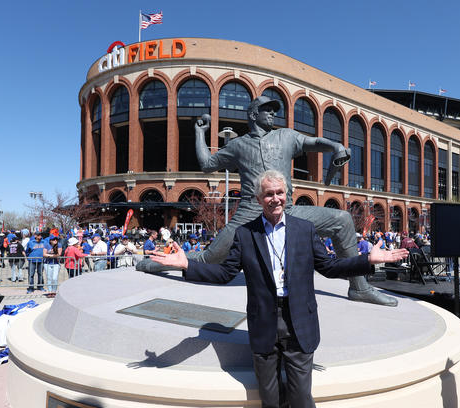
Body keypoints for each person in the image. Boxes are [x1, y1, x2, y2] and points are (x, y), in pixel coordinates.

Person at [148, 171, 409, 408]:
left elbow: (329, 267)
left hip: (299, 325)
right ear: (259, 198)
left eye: (280, 193)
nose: (275, 198)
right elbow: (224, 273)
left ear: (287, 195)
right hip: (264, 328)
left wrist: (366, 260)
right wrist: (188, 265)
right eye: (269, 194)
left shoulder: (304, 229)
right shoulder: (246, 234)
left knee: (302, 406)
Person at [138, 96, 396, 306]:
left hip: (288, 210)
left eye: (274, 110)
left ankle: (359, 288)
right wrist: (199, 134)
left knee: (342, 220)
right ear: (253, 115)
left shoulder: (286, 136)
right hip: (250, 212)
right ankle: (156, 263)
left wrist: (335, 145)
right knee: (208, 259)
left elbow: (312, 142)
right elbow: (207, 164)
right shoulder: (239, 145)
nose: (272, 114)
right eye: (266, 110)